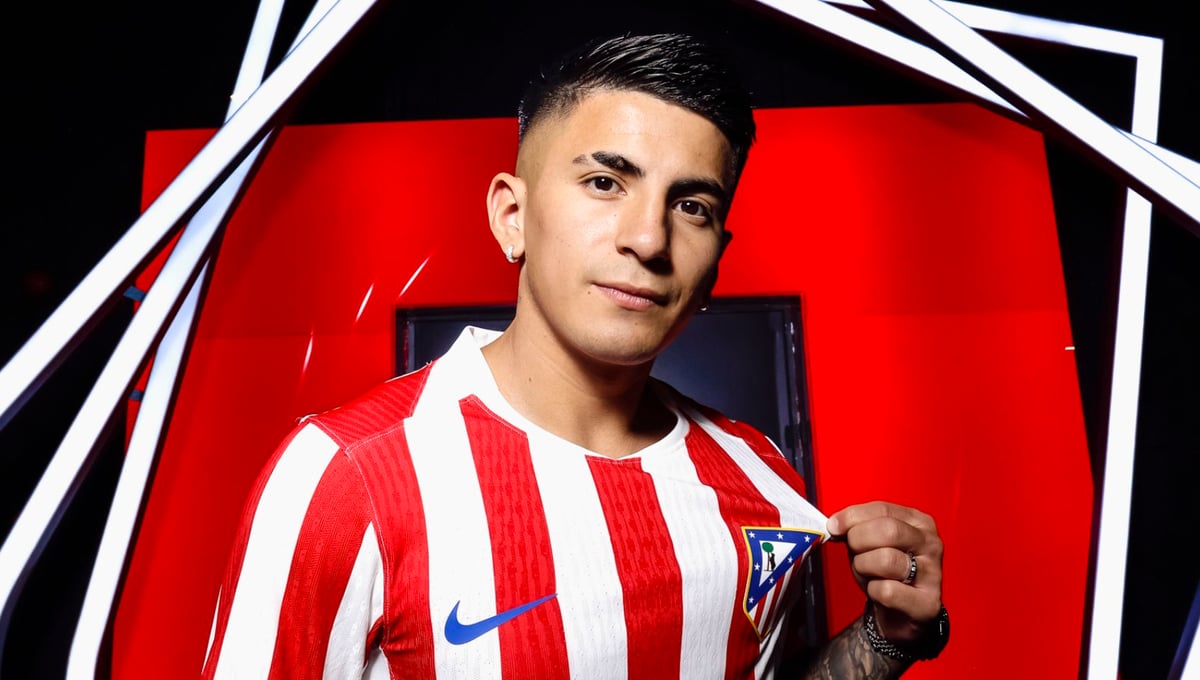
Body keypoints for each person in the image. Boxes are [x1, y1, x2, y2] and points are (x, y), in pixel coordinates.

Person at [201, 33, 947, 679]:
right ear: (512, 215)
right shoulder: (346, 476)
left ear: (716, 259)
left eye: (692, 206)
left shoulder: (762, 479)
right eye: (604, 182)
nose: (648, 239)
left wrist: (889, 638)